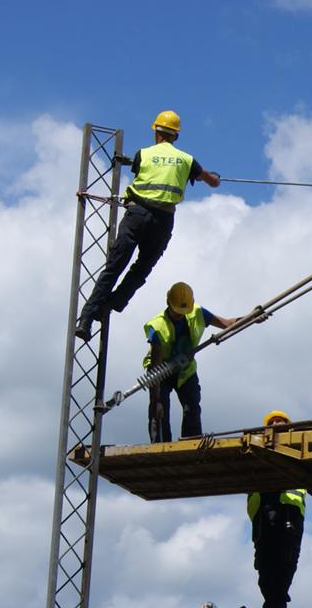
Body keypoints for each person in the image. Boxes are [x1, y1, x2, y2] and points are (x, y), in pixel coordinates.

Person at [75, 110, 221, 341]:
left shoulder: (143, 154)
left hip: (137, 214)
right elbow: (211, 181)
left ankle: (86, 318)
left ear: (156, 132)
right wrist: (213, 177)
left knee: (114, 266)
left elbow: (143, 173)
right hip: (162, 221)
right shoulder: (187, 160)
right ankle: (115, 302)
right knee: (142, 268)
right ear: (176, 136)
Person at [144, 282, 240, 443]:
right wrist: (156, 398)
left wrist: (252, 316)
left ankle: (191, 443)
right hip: (161, 372)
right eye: (177, 312)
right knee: (159, 412)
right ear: (169, 304)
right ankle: (160, 446)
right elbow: (155, 367)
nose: (180, 315)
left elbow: (227, 323)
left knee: (192, 407)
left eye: (183, 312)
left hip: (185, 370)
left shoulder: (197, 312)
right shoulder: (158, 327)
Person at [248, 411, 307, 608]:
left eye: (280, 423)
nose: (276, 426)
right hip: (263, 512)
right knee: (264, 565)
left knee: (284, 561)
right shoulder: (255, 449)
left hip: (287, 511)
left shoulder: (297, 447)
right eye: (272, 424)